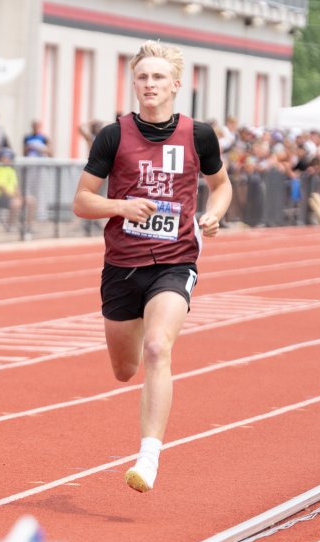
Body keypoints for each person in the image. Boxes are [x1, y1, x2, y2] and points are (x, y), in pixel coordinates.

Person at [71, 40, 232, 493]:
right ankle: (137, 325)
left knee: (159, 348)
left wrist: (214, 213)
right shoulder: (113, 135)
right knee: (125, 369)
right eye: (143, 77)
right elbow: (82, 202)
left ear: (175, 85)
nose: (150, 84)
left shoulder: (199, 135)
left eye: (158, 77)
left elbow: (221, 186)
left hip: (175, 260)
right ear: (134, 83)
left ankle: (149, 456)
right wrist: (121, 207)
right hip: (122, 265)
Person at [0, 147, 35, 233]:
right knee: (16, 203)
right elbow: (1, 188)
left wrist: (20, 196)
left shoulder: (10, 170)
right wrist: (15, 197)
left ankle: (28, 227)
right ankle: (10, 226)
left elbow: (15, 187)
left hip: (11, 196)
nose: (8, 159)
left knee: (31, 200)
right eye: (6, 157)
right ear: (0, 158)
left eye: (9, 157)